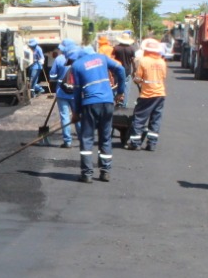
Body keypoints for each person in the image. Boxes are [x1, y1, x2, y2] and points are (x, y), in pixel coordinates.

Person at [67, 41, 127, 183]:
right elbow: (121, 70)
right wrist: (120, 92)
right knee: (105, 137)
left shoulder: (76, 65)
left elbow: (76, 92)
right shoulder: (102, 58)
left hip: (90, 104)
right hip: (107, 102)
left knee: (87, 138)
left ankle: (87, 174)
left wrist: (76, 112)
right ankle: (105, 172)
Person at [126, 37, 167, 151]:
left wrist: (137, 80)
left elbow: (138, 78)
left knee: (139, 118)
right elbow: (163, 76)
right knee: (155, 119)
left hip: (147, 94)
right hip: (160, 94)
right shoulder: (162, 62)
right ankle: (152, 144)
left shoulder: (144, 61)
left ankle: (135, 142)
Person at [48, 40, 75, 148]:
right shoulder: (77, 59)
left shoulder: (59, 59)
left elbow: (52, 76)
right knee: (77, 115)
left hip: (62, 92)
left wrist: (58, 79)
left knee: (65, 117)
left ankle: (67, 141)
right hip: (75, 92)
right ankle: (83, 140)